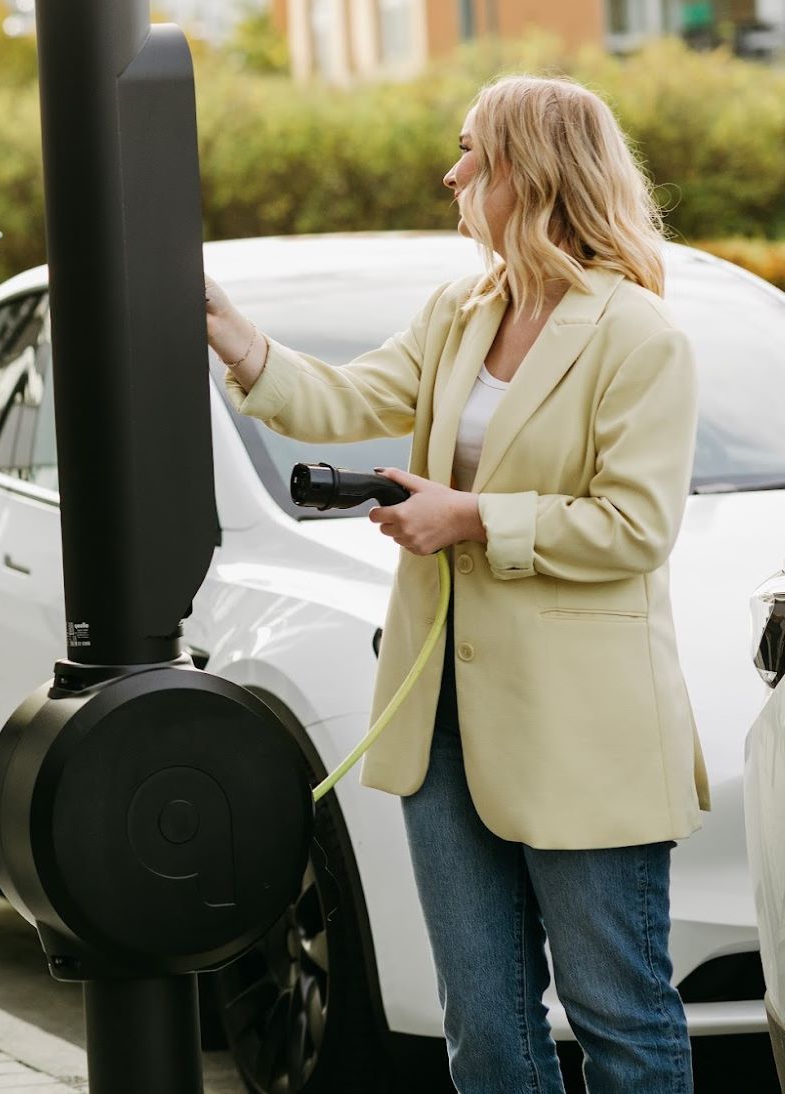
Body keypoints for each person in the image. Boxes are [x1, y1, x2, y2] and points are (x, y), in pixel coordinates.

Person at [205, 74, 703, 1092]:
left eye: (471, 149)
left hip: (579, 728)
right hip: (437, 714)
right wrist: (224, 325)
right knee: (479, 1019)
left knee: (618, 1012)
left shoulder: (636, 336)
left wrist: (465, 515)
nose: (450, 170)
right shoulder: (460, 311)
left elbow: (634, 526)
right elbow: (340, 397)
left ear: (529, 170)